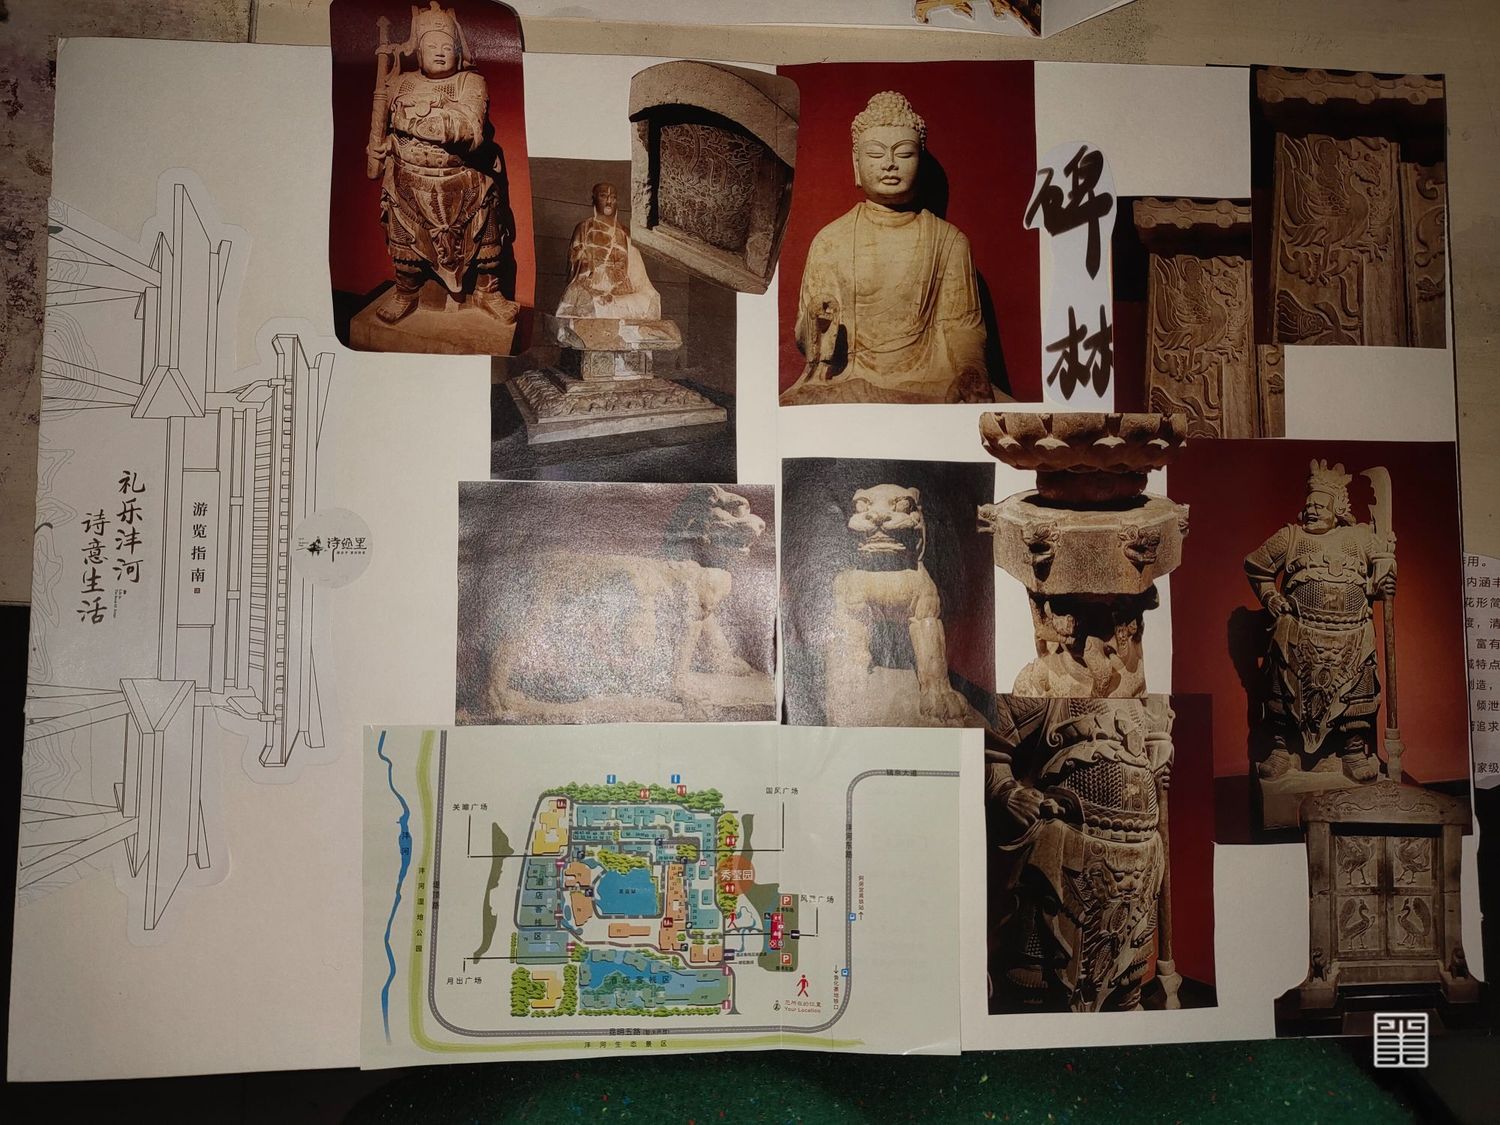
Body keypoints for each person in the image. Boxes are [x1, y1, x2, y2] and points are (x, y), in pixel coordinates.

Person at [781, 90, 994, 405]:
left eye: (904, 154)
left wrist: (970, 370)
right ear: (856, 163)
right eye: (876, 154)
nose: (890, 164)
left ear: (920, 162)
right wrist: (818, 321)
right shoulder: (831, 240)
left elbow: (963, 328)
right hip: (849, 382)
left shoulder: (948, 241)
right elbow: (809, 341)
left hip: (928, 384)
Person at [1244, 459, 1395, 783]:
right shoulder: (1290, 537)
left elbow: (1382, 569)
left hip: (1353, 635)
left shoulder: (1360, 537)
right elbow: (1256, 566)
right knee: (1283, 693)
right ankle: (1281, 750)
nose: (1311, 510)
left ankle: (1353, 751)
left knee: (1358, 696)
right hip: (1299, 634)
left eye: (1320, 506)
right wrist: (1270, 597)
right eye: (1309, 505)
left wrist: (1385, 578)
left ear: (1337, 509)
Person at [367, 1, 516, 325]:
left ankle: (488, 292)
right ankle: (405, 292)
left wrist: (415, 121)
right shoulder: (401, 82)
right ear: (418, 51)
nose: (439, 52)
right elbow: (388, 126)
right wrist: (384, 144)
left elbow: (471, 129)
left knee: (487, 240)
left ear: (458, 52)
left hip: (463, 182)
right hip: (408, 182)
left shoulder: (470, 82)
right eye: (431, 46)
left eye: (447, 47)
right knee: (404, 245)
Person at [555, 182, 662, 322]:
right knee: (579, 299)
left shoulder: (625, 233)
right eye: (604, 196)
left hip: (620, 290)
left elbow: (638, 273)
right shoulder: (584, 228)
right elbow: (575, 264)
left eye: (613, 197)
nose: (609, 201)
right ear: (594, 199)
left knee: (649, 301)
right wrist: (592, 268)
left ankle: (608, 304)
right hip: (590, 286)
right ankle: (602, 305)